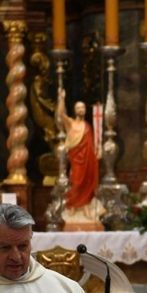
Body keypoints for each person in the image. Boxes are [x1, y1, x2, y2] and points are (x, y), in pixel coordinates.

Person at [57, 88, 101, 221]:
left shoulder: (88, 125)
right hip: (76, 159)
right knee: (76, 181)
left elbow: (93, 143)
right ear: (75, 110)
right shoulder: (70, 123)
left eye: (83, 107)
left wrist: (98, 150)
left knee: (87, 181)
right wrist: (62, 98)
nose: (81, 109)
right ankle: (73, 206)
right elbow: (60, 114)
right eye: (78, 107)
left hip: (88, 159)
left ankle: (86, 206)